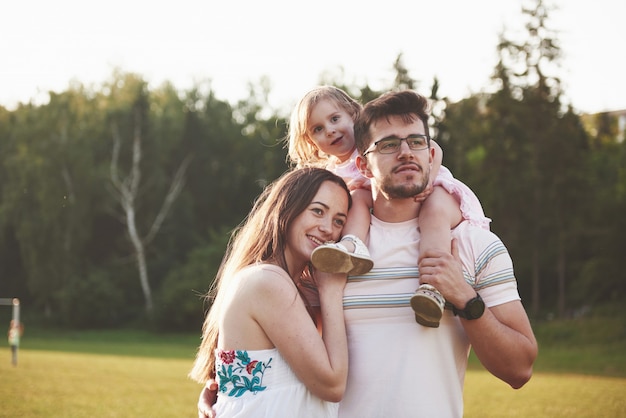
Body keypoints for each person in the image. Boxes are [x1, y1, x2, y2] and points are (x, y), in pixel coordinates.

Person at [197, 90, 537, 418]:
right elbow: (277, 332)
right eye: (388, 144)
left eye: (416, 141)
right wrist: (230, 384)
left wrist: (464, 298)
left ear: (431, 153)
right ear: (362, 164)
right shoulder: (331, 251)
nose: (405, 152)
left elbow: (519, 369)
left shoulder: (472, 245)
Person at [286, 85, 491, 327]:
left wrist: (428, 179)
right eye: (318, 129)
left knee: (433, 214)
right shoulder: (331, 173)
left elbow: (433, 148)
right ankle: (352, 246)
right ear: (311, 142)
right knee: (359, 197)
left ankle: (432, 286)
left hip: (429, 189)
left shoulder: (378, 140)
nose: (330, 130)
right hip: (386, 206)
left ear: (353, 114)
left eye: (335, 119)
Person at [189, 167, 352, 418]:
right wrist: (331, 288)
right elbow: (332, 385)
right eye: (317, 211)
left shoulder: (279, 283)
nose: (328, 228)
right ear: (287, 209)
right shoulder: (267, 281)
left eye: (339, 221)